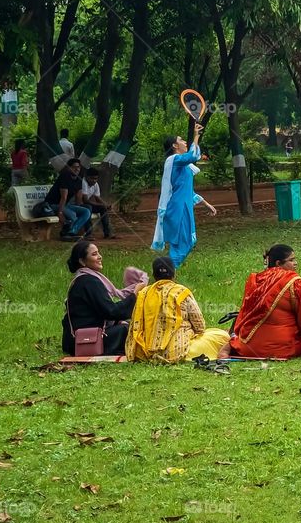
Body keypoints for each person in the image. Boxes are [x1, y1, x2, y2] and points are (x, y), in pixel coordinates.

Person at [220, 244, 301, 359]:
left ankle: (226, 350)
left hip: (247, 348)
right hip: (281, 349)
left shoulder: (254, 280)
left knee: (237, 337)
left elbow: (244, 315)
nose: (295, 263)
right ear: (278, 264)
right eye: (291, 260)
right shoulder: (293, 281)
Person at [126, 257, 230, 363]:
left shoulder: (143, 293)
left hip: (144, 354)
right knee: (221, 336)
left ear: (154, 275)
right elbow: (200, 327)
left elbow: (135, 326)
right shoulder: (181, 292)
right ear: (174, 274)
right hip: (176, 351)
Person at [151, 124, 217, 268]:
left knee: (188, 242)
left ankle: (166, 272)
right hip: (177, 208)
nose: (185, 142)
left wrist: (206, 204)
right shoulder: (174, 160)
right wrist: (196, 135)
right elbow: (193, 156)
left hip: (183, 207)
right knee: (182, 243)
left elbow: (187, 191)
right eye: (181, 140)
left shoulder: (183, 165)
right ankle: (166, 274)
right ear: (175, 145)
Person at [62, 241, 139, 356]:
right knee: (130, 329)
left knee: (126, 325)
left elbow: (102, 311)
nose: (99, 257)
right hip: (84, 341)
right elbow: (111, 311)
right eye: (94, 254)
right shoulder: (89, 281)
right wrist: (134, 295)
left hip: (74, 340)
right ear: (82, 261)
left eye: (98, 253)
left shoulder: (82, 279)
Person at [44, 158, 92, 241]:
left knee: (86, 211)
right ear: (68, 168)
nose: (77, 169)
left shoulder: (79, 178)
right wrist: (60, 212)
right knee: (73, 215)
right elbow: (64, 197)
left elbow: (78, 197)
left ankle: (72, 232)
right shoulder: (64, 176)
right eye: (74, 167)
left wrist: (78, 207)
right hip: (53, 204)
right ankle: (65, 234)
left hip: (65, 205)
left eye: (78, 167)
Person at [81, 167, 114, 239]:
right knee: (88, 208)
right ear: (86, 177)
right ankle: (88, 234)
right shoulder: (83, 182)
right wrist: (101, 204)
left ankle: (107, 233)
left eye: (96, 179)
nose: (94, 181)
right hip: (78, 205)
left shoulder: (95, 184)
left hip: (87, 205)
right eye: (92, 178)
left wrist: (105, 205)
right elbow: (86, 200)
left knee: (103, 209)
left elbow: (97, 197)